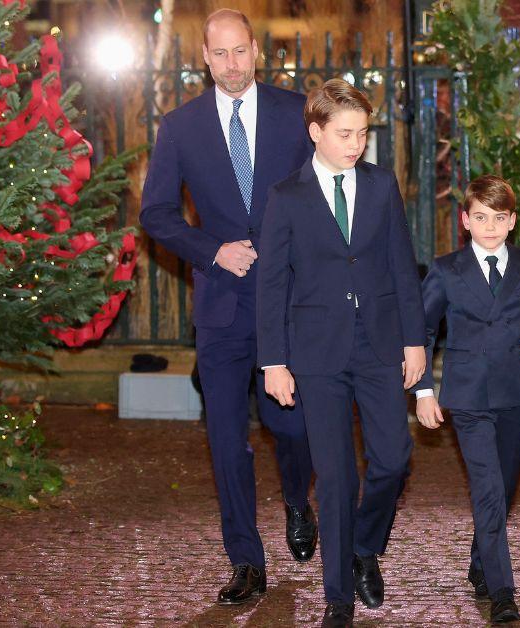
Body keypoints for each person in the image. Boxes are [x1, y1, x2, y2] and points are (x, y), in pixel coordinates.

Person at [138, 9, 317, 605]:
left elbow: (326, 193)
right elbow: (156, 214)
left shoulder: (298, 114)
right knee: (224, 438)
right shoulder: (180, 127)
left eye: (242, 51)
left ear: (256, 52)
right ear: (205, 58)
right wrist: (213, 250)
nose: (233, 64)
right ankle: (245, 559)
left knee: (290, 426)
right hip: (219, 306)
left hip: (288, 302)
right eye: (222, 54)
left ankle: (297, 498)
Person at [256, 78, 427, 628]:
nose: (357, 144)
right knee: (333, 477)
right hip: (316, 353)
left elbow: (403, 264)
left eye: (363, 133)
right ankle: (338, 596)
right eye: (346, 133)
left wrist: (415, 339)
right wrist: (274, 361)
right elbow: (271, 286)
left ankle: (363, 547)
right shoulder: (287, 196)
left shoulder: (380, 186)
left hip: (378, 344)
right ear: (316, 131)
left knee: (394, 459)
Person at [412, 175, 520, 623]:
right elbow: (422, 330)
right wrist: (423, 391)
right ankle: (502, 592)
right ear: (465, 220)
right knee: (488, 489)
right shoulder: (446, 268)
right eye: (480, 218)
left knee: (506, 486)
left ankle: (481, 560)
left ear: (512, 221)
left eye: (499, 218)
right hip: (468, 394)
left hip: (514, 392)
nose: (490, 227)